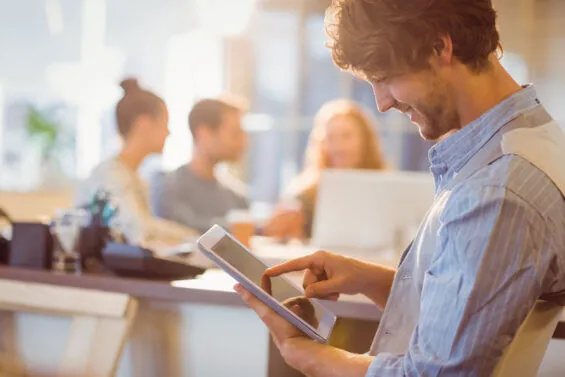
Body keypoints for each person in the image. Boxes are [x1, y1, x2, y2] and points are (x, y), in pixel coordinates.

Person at [235, 0, 565, 376]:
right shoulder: (531, 140)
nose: (382, 102)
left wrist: (302, 352)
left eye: (385, 77)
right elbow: (478, 305)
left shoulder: (498, 188)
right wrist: (370, 278)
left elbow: (432, 373)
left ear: (440, 48)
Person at [75, 79, 197, 245]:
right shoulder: (110, 177)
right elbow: (139, 232)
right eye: (165, 124)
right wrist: (195, 239)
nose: (168, 133)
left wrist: (195, 239)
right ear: (144, 125)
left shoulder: (135, 177)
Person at [263, 99, 387, 239]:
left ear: (365, 141)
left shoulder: (386, 191)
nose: (339, 147)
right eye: (330, 138)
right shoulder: (304, 196)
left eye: (346, 136)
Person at [151, 98, 248, 233]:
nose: (243, 142)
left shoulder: (237, 197)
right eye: (235, 133)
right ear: (204, 134)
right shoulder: (168, 188)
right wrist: (251, 228)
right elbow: (184, 227)